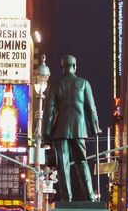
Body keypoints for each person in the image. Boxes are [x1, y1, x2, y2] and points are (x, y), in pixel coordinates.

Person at [43, 54, 101, 202]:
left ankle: (66, 198)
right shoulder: (84, 84)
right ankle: (90, 197)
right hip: (79, 129)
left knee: (63, 166)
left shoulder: (55, 85)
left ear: (63, 68)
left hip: (60, 131)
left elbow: (48, 111)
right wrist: (95, 128)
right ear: (75, 67)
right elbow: (91, 108)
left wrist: (46, 133)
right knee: (82, 162)